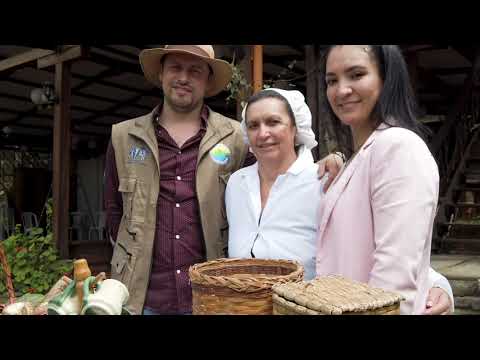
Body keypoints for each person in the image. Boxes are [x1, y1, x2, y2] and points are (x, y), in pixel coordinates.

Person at [104, 45, 342, 315]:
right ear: (161, 73)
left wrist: (332, 159)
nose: (184, 77)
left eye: (195, 70)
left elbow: (275, 173)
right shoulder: (124, 137)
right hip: (144, 298)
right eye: (175, 68)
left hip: (215, 296)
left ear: (207, 81)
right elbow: (114, 212)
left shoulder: (234, 138)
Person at [226, 87, 453, 314]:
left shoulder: (323, 182)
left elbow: (371, 243)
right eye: (253, 125)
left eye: (273, 122)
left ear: (295, 128)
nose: (262, 133)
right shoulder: (236, 185)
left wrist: (436, 283)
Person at [315, 45, 446, 314]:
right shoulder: (360, 156)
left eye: (356, 74)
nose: (341, 90)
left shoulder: (398, 147)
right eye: (332, 80)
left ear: (386, 79)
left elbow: (394, 276)